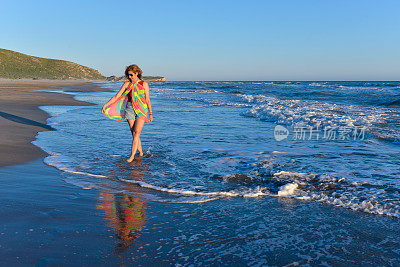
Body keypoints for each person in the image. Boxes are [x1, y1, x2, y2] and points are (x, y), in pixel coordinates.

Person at [101, 64, 153, 162]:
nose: (129, 77)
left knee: (137, 132)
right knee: (134, 134)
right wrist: (105, 105)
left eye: (131, 75)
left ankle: (132, 156)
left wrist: (150, 113)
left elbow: (148, 100)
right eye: (128, 75)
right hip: (129, 109)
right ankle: (141, 153)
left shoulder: (144, 84)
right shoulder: (126, 84)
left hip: (142, 110)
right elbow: (117, 96)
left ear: (137, 73)